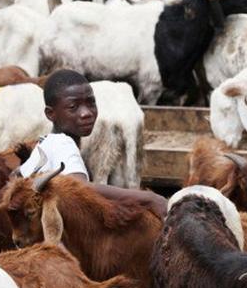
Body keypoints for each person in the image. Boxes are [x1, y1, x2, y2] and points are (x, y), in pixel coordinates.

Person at [19, 69, 167, 216]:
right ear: (50, 114)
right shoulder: (63, 144)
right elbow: (80, 188)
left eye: (91, 103)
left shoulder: (45, 142)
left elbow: (18, 174)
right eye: (73, 107)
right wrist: (150, 198)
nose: (86, 113)